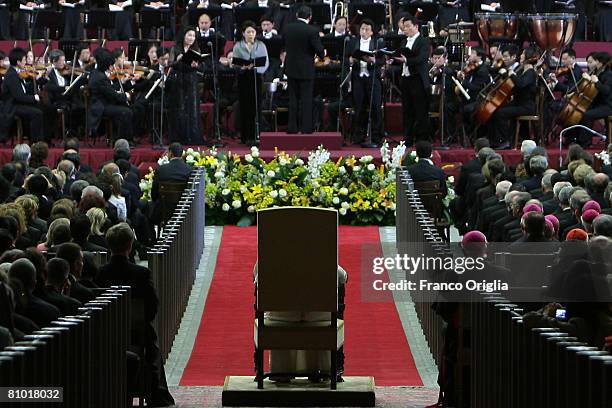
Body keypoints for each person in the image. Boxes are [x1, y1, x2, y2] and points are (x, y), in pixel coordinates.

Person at [97, 222, 175, 407]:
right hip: (136, 334)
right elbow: (152, 306)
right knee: (151, 343)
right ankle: (156, 393)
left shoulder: (101, 273)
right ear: (130, 245)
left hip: (106, 331)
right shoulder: (141, 273)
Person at [284, 5, 325, 134]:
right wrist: (322, 53)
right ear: (310, 17)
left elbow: (283, 44)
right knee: (306, 100)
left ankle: (292, 128)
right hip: (306, 70)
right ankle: (306, 128)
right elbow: (320, 51)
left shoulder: (287, 28)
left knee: (293, 99)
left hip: (290, 68)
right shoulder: (312, 31)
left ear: (297, 15)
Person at [488, 46, 539, 149]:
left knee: (500, 113)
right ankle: (495, 141)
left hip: (526, 106)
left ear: (528, 57)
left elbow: (521, 84)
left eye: (523, 54)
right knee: (494, 110)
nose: (521, 56)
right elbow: (515, 86)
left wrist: (511, 74)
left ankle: (505, 141)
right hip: (519, 103)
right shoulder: (522, 71)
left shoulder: (530, 73)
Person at [232, 21, 269, 146]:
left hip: (256, 78)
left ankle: (256, 134)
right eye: (248, 32)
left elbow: (265, 62)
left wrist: (255, 68)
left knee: (256, 107)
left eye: (253, 32)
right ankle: (245, 136)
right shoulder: (238, 46)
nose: (250, 34)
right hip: (243, 79)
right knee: (244, 107)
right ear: (243, 33)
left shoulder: (261, 45)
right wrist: (242, 67)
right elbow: (235, 63)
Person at [348, 19, 384, 147]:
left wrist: (373, 60)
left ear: (372, 32)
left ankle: (376, 137)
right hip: (358, 77)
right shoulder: (353, 41)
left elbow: (382, 61)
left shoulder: (377, 42)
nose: (363, 31)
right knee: (359, 107)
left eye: (367, 29)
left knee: (375, 107)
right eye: (362, 29)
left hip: (372, 78)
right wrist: (350, 60)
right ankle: (359, 136)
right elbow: (347, 56)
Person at [87, 47, 133, 144]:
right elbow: (113, 95)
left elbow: (109, 89)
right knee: (126, 112)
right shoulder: (100, 78)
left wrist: (122, 82)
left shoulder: (97, 73)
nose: (111, 66)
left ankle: (121, 137)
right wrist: (126, 96)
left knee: (125, 108)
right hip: (101, 107)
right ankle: (122, 141)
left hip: (102, 103)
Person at [168, 26, 204, 145]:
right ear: (183, 35)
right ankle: (180, 137)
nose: (191, 38)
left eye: (193, 36)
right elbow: (170, 64)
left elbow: (200, 66)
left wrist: (196, 65)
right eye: (189, 35)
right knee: (180, 109)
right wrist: (178, 60)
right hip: (179, 80)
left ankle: (192, 137)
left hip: (191, 80)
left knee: (192, 109)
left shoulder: (196, 49)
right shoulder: (175, 48)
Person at [398, 14, 431, 145]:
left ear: (416, 27)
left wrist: (407, 60)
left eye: (408, 26)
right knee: (407, 110)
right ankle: (408, 138)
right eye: (404, 27)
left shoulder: (423, 41)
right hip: (406, 79)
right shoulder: (404, 42)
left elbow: (421, 59)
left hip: (417, 79)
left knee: (420, 110)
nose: (405, 29)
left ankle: (422, 139)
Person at [0, 48, 44, 143]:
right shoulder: (12, 75)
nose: (26, 62)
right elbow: (18, 96)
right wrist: (33, 98)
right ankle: (34, 142)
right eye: (24, 60)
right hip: (12, 106)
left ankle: (40, 138)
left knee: (42, 107)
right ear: (18, 62)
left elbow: (23, 90)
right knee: (37, 113)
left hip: (17, 103)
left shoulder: (16, 72)